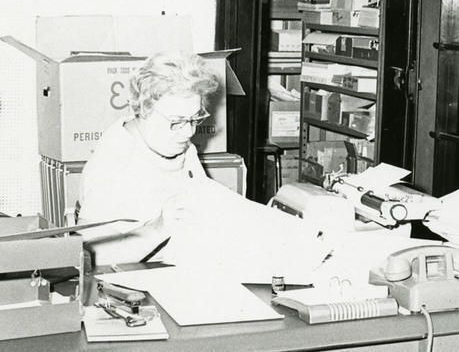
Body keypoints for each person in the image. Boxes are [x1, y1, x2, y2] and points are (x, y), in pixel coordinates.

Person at [78, 52, 325, 270]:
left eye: (194, 119)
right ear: (144, 109)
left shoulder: (173, 142)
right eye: (176, 122)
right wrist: (158, 229)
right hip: (135, 279)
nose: (188, 133)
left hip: (185, 263)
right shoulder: (113, 163)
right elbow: (89, 255)